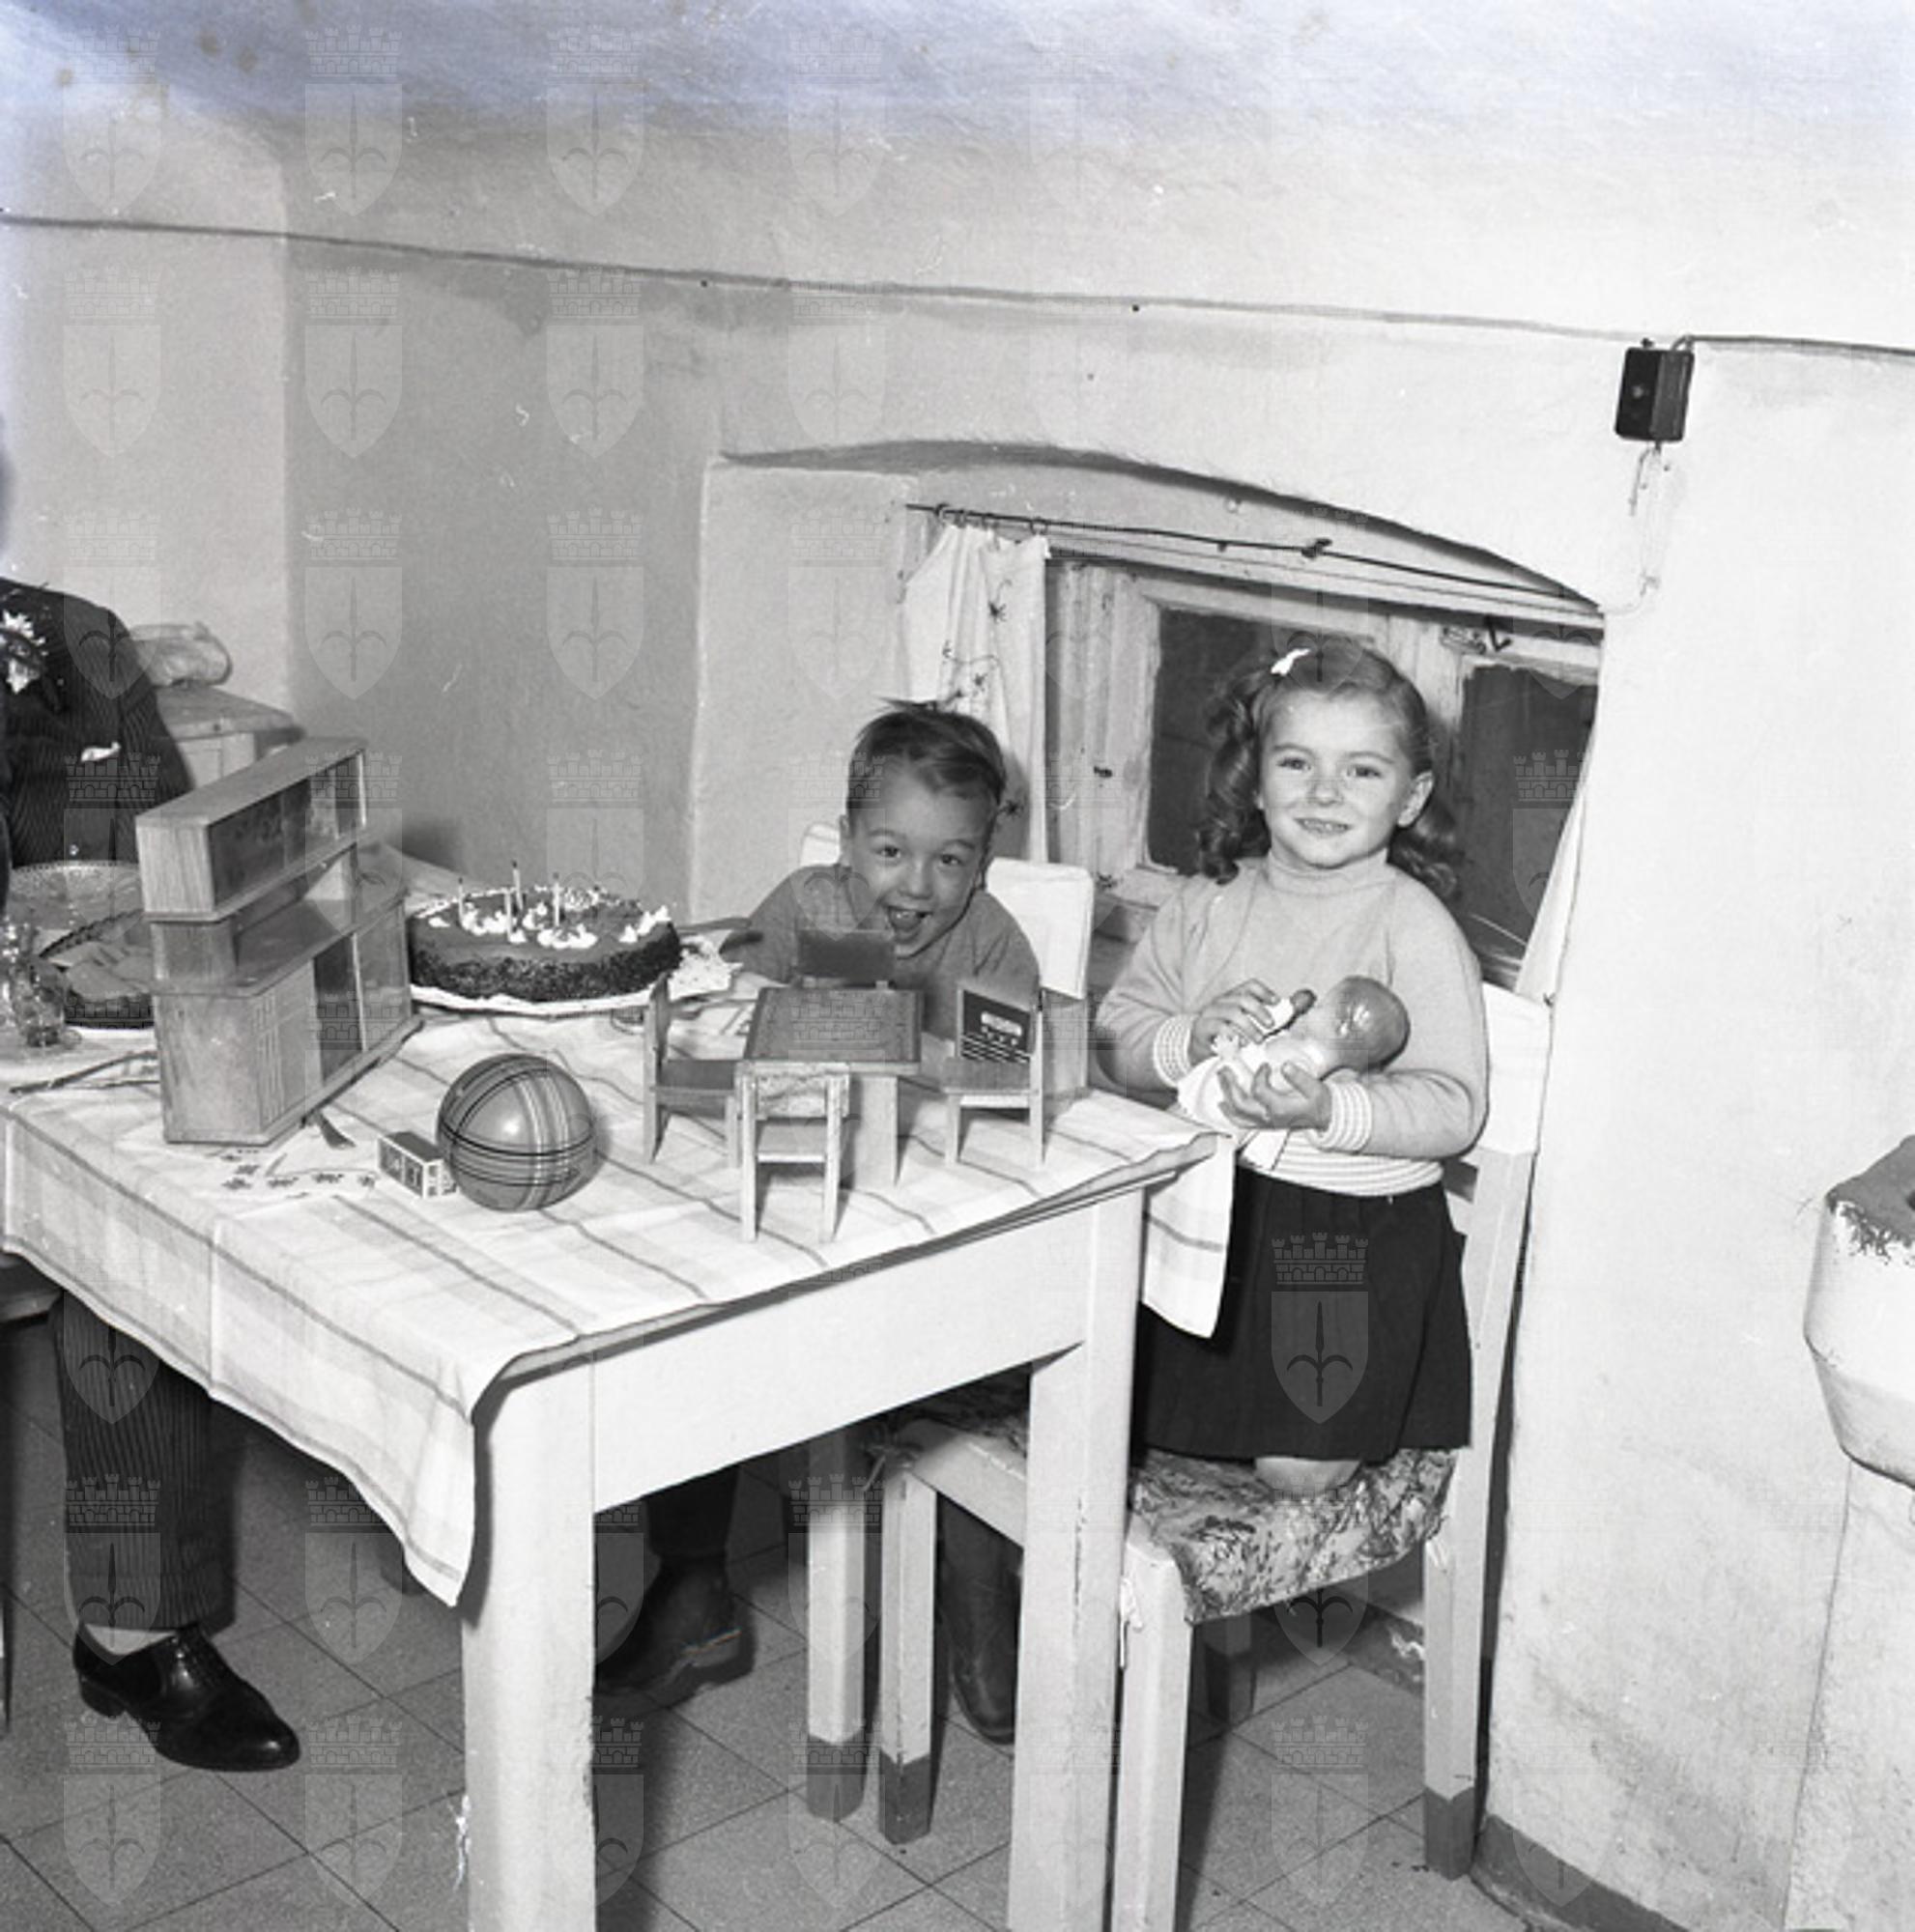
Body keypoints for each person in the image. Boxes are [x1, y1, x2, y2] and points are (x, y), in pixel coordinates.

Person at [595, 699, 1041, 1707]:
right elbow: (727, 989)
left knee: (977, 1345)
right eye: (889, 850)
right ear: (847, 839)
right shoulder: (809, 902)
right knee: (692, 1314)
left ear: (982, 861)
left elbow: (1011, 1068)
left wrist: (912, 1044)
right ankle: (692, 1578)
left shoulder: (990, 943)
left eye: (950, 859)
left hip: (925, 1231)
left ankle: (976, 1577)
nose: (916, 885)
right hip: (795, 1191)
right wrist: (776, 1005)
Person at [0, 574, 300, 1772]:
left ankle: (133, 1623)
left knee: (135, 1193)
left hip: (37, 1034)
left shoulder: (67, 639)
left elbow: (141, 892)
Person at [1100, 637, 1486, 1497]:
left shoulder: (1414, 925)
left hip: (1347, 1237)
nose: (1324, 793)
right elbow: (1113, 1038)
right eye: (1297, 762)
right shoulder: (1208, 900)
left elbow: (1453, 1107)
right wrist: (1188, 1037)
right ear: (1255, 777)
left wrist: (1327, 1113)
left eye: (1362, 771)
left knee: (1296, 1469)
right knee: (1094, 1401)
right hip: (1205, 1215)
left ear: (1412, 796)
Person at [1173, 973, 1411, 1149]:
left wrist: (1231, 1058)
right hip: (1211, 1091)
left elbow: (1255, 1091)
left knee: (1175, 1140)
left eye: (1321, 1006)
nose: (1313, 1008)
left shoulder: (1298, 1069)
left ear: (1341, 1027)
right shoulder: (1299, 1046)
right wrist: (1289, 1007)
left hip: (1216, 1115)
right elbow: (1270, 1029)